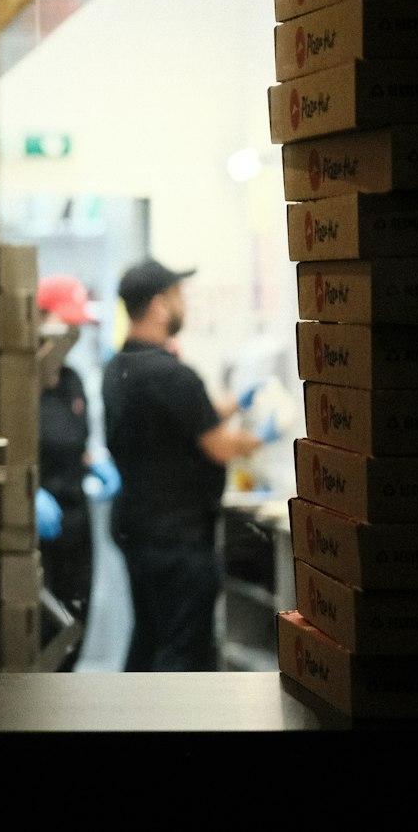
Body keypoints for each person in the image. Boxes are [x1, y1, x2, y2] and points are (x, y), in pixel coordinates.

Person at [103, 259, 275, 672]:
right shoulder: (173, 375)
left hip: (138, 526)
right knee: (184, 649)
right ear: (161, 305)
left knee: (148, 638)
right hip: (178, 538)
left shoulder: (120, 367)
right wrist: (270, 432)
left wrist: (237, 402)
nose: (185, 307)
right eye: (180, 297)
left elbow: (188, 419)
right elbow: (218, 446)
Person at [33, 275, 97, 671]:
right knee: (43, 633)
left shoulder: (72, 381)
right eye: (64, 325)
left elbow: (76, 442)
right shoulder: (22, 384)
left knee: (77, 622)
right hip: (37, 526)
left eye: (77, 328)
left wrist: (95, 459)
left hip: (76, 520)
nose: (71, 335)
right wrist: (30, 495)